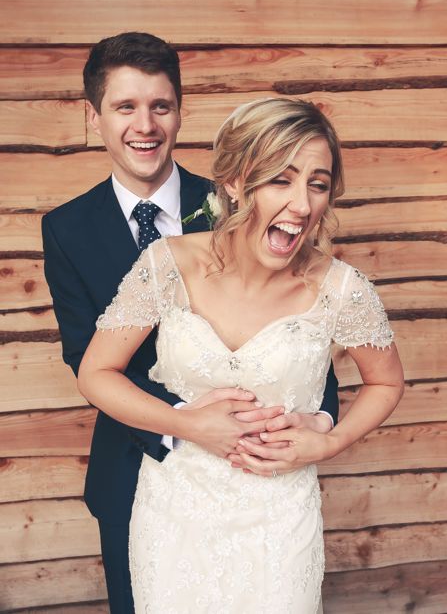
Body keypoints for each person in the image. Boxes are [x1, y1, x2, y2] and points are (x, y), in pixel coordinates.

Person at [41, 33, 340, 613]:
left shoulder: (249, 195)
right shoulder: (67, 229)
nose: (145, 125)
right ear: (94, 117)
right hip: (135, 470)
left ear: (181, 111)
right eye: (125, 107)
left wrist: (319, 418)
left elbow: (307, 326)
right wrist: (186, 422)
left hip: (258, 475)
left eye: (160, 105)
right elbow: (87, 359)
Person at [77, 97, 405, 612]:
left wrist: (331, 440)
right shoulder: (168, 264)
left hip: (279, 520)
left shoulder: (343, 290)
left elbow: (386, 383)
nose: (301, 204)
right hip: (172, 514)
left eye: (317, 185)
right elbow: (96, 372)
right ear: (234, 182)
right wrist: (186, 424)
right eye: (281, 179)